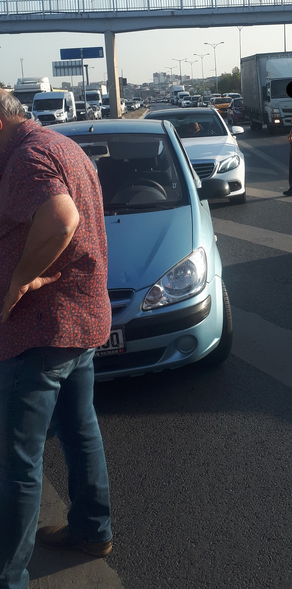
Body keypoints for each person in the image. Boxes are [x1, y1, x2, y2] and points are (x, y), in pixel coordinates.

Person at [0, 91, 113, 589]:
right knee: (79, 430)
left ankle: (9, 577)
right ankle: (92, 529)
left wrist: (18, 280)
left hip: (38, 332)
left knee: (16, 463)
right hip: (81, 321)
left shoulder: (24, 160)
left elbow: (62, 218)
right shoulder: (60, 145)